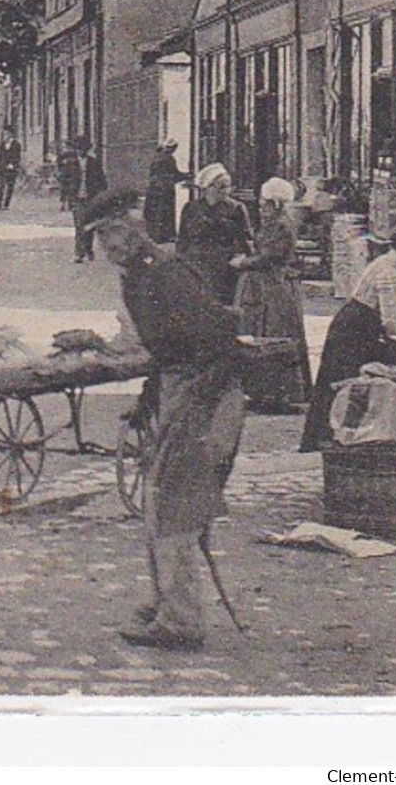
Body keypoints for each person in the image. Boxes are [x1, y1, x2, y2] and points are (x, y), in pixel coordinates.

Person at [85, 188, 245, 651]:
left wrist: (194, 402)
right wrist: (148, 400)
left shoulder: (165, 275)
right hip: (182, 390)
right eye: (101, 239)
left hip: (207, 397)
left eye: (115, 235)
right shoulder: (139, 277)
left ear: (135, 232)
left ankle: (182, 620)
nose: (108, 248)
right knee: (161, 503)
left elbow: (218, 342)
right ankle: (168, 601)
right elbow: (163, 354)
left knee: (174, 507)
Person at [299, 222, 396, 453]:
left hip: (349, 322)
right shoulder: (390, 273)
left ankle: (325, 436)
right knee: (353, 383)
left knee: (334, 380)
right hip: (358, 331)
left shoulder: (381, 262)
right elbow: (391, 320)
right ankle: (349, 437)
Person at [232, 177, 313, 411]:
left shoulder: (282, 225)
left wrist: (243, 262)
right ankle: (262, 391)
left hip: (276, 287)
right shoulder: (271, 224)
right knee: (260, 333)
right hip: (263, 286)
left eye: (264, 203)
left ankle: (281, 394)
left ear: (275, 204)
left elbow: (270, 257)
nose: (260, 207)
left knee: (276, 335)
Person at [177, 163, 252, 305]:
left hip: (224, 266)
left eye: (228, 186)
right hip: (196, 264)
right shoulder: (191, 208)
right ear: (207, 188)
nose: (226, 191)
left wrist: (244, 259)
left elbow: (246, 238)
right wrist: (181, 263)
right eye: (221, 187)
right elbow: (183, 239)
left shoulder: (237, 208)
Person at [144, 140, 189, 243]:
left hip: (154, 189)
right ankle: (165, 236)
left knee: (155, 213)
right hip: (165, 191)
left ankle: (155, 235)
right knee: (165, 214)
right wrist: (186, 175)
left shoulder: (156, 157)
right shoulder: (168, 159)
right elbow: (173, 175)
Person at [72, 137, 108, 263]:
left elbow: (102, 181)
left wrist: (101, 197)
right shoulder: (71, 163)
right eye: (78, 149)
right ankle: (79, 253)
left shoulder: (94, 163)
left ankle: (88, 248)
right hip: (77, 198)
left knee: (90, 225)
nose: (80, 151)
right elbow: (66, 181)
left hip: (91, 198)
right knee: (79, 225)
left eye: (82, 149)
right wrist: (67, 197)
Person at [0, 131, 22, 210]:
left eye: (7, 134)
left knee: (10, 186)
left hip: (12, 168)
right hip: (3, 168)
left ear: (10, 134)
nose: (5, 136)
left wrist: (12, 164)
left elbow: (17, 156)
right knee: (2, 185)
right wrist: (1, 164)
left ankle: (6, 204)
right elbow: (1, 156)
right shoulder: (2, 144)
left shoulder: (16, 144)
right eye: (4, 134)